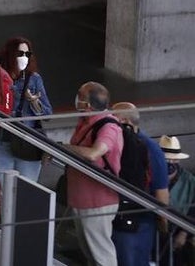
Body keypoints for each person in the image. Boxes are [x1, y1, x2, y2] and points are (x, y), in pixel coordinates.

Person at [64, 81, 123, 266]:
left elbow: (94, 153)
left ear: (88, 105)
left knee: (102, 255)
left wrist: (63, 148)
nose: (76, 99)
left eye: (80, 96)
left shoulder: (108, 127)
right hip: (81, 199)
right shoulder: (86, 120)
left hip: (97, 202)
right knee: (91, 254)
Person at [109, 103, 169, 266]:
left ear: (124, 121)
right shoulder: (143, 147)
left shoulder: (149, 149)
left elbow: (161, 192)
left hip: (136, 222)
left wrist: (162, 219)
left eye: (113, 118)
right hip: (123, 218)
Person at [0, 36, 52, 183]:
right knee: (1, 187)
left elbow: (47, 113)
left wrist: (34, 102)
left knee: (27, 187)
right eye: (20, 53)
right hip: (2, 139)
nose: (24, 57)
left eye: (28, 54)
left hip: (27, 142)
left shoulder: (34, 78)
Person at [159, 136, 195, 266]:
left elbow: (193, 209)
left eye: (173, 159)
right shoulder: (152, 176)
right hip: (158, 230)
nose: (169, 161)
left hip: (180, 230)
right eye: (165, 158)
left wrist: (185, 232)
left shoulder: (189, 180)